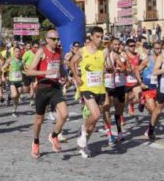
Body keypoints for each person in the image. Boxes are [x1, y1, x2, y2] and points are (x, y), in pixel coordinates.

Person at [26, 29, 67, 158]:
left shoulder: (59, 51)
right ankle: (36, 142)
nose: (56, 41)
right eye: (53, 39)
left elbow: (61, 68)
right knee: (39, 120)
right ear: (47, 39)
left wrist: (64, 76)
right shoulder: (41, 51)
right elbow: (30, 72)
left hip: (55, 87)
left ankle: (54, 136)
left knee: (64, 114)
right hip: (43, 88)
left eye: (57, 39)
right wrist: (45, 73)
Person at [69, 27, 106, 157]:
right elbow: (72, 63)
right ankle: (83, 131)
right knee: (95, 115)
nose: (100, 39)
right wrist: (76, 77)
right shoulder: (82, 51)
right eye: (97, 36)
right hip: (87, 87)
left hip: (100, 89)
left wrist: (111, 69)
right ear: (91, 37)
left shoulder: (103, 51)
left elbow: (107, 66)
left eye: (101, 37)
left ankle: (85, 144)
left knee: (94, 122)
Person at [6, 43, 25, 117]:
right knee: (15, 94)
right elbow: (3, 68)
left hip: (19, 80)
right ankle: (9, 97)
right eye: (16, 51)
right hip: (12, 80)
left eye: (19, 51)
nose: (17, 53)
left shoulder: (21, 60)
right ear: (13, 52)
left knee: (17, 96)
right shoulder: (10, 59)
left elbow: (23, 69)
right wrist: (4, 75)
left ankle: (14, 111)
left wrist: (26, 72)